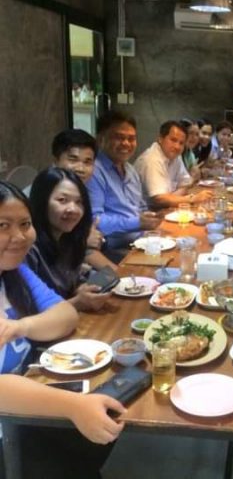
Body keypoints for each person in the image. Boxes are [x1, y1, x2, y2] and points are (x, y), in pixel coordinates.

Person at [0, 181, 125, 477]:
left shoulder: (14, 271)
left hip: (26, 407)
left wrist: (21, 326)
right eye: (3, 226)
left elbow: (66, 314)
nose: (19, 236)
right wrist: (72, 406)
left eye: (25, 224)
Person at [26, 167, 111, 312]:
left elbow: (70, 284)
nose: (73, 209)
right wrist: (77, 302)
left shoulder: (69, 239)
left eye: (79, 202)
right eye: (62, 200)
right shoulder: (28, 249)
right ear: (41, 202)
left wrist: (80, 289)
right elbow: (27, 313)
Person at [86, 111, 161, 258]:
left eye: (131, 138)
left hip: (140, 242)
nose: (126, 143)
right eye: (119, 137)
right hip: (113, 250)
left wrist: (150, 218)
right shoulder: (94, 171)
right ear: (100, 139)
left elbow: (141, 208)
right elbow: (95, 220)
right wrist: (137, 223)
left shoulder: (130, 170)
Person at [51, 129, 118, 271]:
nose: (81, 168)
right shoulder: (42, 194)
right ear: (56, 161)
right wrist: (82, 241)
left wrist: (120, 274)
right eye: (73, 159)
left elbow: (88, 250)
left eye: (88, 162)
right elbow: (38, 246)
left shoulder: (82, 193)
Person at [135, 120, 213, 208]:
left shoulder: (175, 156)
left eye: (181, 143)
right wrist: (192, 199)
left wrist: (171, 198)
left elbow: (186, 184)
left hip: (165, 208)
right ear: (160, 138)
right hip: (147, 212)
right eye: (173, 140)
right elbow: (160, 199)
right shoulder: (152, 159)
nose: (177, 146)